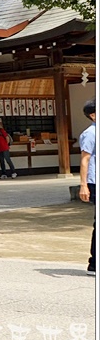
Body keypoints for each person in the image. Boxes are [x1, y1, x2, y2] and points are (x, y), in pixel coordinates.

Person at [78, 99, 96, 275]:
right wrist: (83, 184)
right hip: (95, 180)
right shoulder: (90, 133)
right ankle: (94, 263)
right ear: (93, 115)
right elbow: (85, 159)